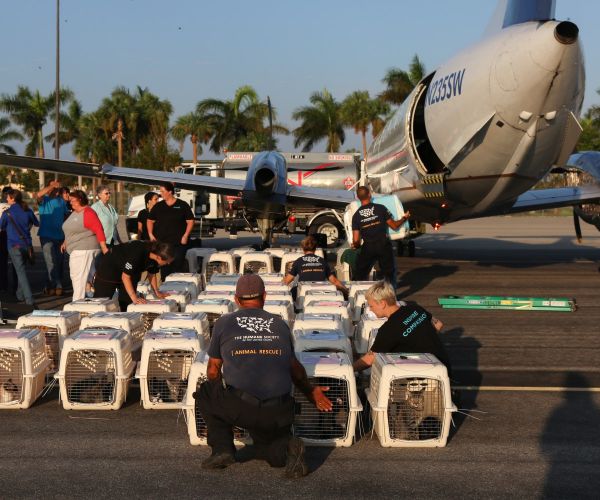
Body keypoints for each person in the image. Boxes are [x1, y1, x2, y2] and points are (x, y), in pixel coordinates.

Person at [195, 274, 333, 478]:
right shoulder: (280, 325)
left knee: (207, 391)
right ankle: (288, 448)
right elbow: (295, 369)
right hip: (278, 410)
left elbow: (213, 370)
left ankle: (222, 450)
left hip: (241, 407)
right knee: (271, 454)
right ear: (265, 296)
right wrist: (311, 391)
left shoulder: (224, 324)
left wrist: (224, 398)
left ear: (236, 299)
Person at [352, 281, 451, 374]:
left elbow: (369, 360)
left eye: (371, 306)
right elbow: (438, 324)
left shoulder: (388, 330)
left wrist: (349, 369)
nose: (370, 309)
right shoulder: (415, 309)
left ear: (382, 303)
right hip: (443, 367)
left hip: (424, 374)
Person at [351, 186, 410, 291]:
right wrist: (404, 218)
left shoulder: (356, 216)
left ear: (358, 198)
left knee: (360, 274)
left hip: (368, 247)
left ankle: (356, 297)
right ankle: (391, 298)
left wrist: (355, 246)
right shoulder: (381, 208)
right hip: (383, 245)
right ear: (369, 194)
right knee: (389, 275)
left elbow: (356, 240)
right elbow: (394, 226)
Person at [93, 240, 174, 311]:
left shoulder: (155, 259)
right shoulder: (138, 251)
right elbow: (125, 277)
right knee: (101, 302)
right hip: (110, 270)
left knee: (128, 304)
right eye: (167, 261)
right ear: (159, 257)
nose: (169, 264)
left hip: (131, 273)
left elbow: (151, 274)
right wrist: (134, 297)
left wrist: (157, 292)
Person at [61, 189, 109, 301]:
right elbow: (73, 229)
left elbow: (99, 229)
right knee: (87, 277)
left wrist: (104, 247)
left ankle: (77, 304)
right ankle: (92, 298)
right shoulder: (75, 212)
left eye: (73, 200)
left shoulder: (88, 212)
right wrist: (66, 241)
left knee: (78, 278)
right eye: (70, 200)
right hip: (79, 248)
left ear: (80, 200)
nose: (71, 202)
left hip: (83, 249)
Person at [147, 181, 194, 279]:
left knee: (177, 266)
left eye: (163, 192)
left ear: (170, 192)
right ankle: (166, 286)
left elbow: (190, 221)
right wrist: (150, 234)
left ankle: (177, 287)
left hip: (178, 243)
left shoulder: (182, 205)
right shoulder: (158, 206)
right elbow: (150, 220)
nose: (161, 194)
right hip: (163, 244)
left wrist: (185, 235)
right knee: (165, 268)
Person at [0, 189, 39, 307]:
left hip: (14, 245)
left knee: (21, 272)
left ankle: (29, 300)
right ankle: (19, 294)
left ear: (12, 198)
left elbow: (1, 226)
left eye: (8, 197)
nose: (6, 199)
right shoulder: (27, 210)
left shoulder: (7, 213)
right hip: (27, 244)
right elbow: (36, 223)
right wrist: (26, 228)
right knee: (22, 270)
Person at [283, 235, 348, 296]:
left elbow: (287, 281)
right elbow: (334, 281)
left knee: (293, 290)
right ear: (315, 249)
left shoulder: (298, 261)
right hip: (320, 292)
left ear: (303, 249)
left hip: (304, 293)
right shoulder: (322, 261)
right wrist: (346, 291)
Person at [36, 180, 68, 296]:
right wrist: (51, 185)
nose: (55, 188)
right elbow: (38, 195)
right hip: (46, 236)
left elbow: (65, 216)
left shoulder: (61, 201)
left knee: (59, 262)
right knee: (50, 262)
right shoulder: (44, 200)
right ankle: (57, 284)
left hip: (60, 236)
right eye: (52, 187)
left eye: (56, 186)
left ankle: (49, 284)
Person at [0, 186, 11, 291]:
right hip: (14, 236)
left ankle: (3, 284)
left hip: (2, 235)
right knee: (16, 263)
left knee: (2, 262)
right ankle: (17, 287)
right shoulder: (17, 206)